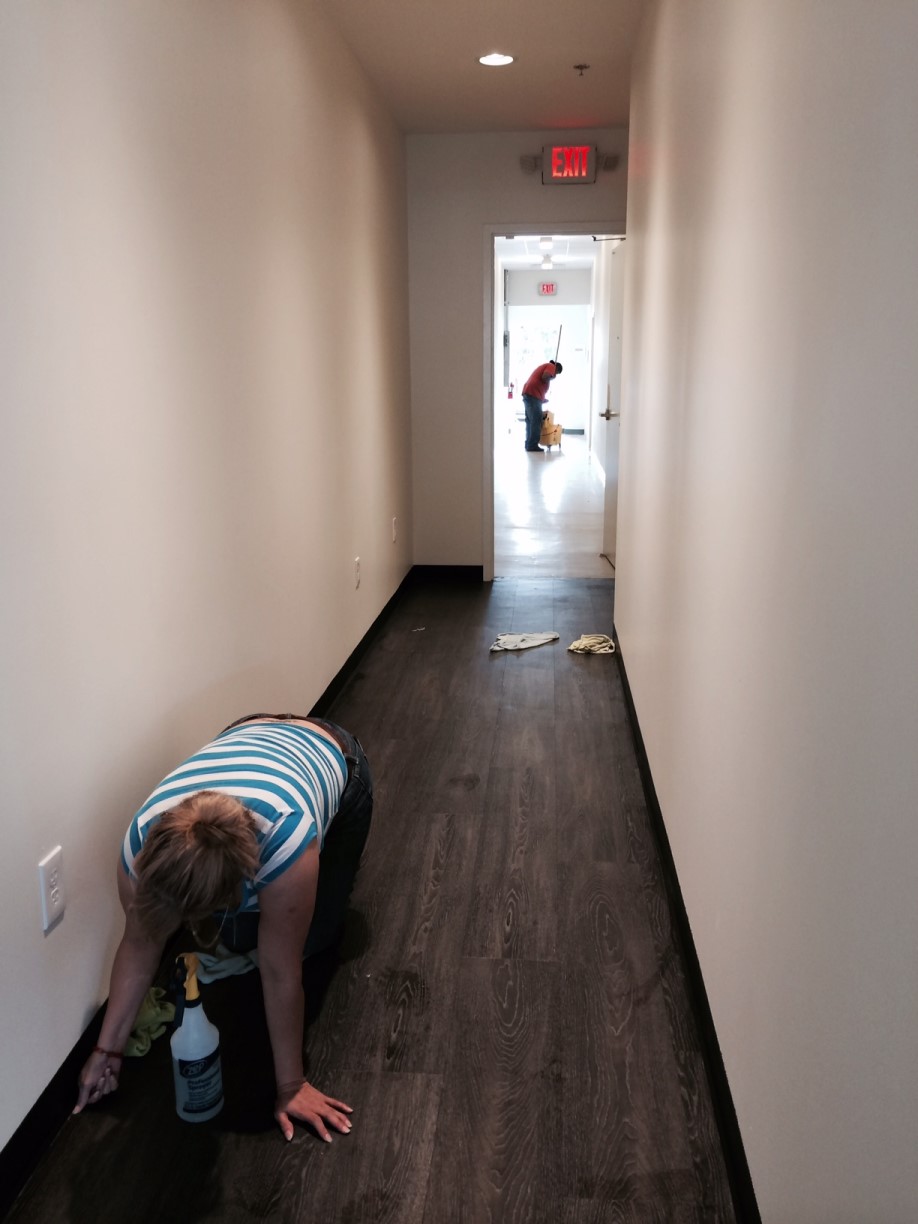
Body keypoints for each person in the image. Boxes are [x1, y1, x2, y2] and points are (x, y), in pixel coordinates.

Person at [73, 713, 373, 1143]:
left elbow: (281, 972)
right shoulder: (140, 844)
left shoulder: (285, 837)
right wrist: (106, 1052)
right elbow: (138, 945)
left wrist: (291, 1086)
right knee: (241, 940)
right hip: (245, 730)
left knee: (313, 941)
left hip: (337, 755)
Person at [521, 359, 563, 452]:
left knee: (530, 421)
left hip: (529, 394)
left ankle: (529, 444)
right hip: (533, 395)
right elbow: (545, 377)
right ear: (557, 368)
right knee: (536, 420)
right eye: (557, 373)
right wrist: (552, 376)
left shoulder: (545, 366)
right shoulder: (551, 366)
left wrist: (542, 399)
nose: (555, 375)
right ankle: (532, 445)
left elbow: (540, 382)